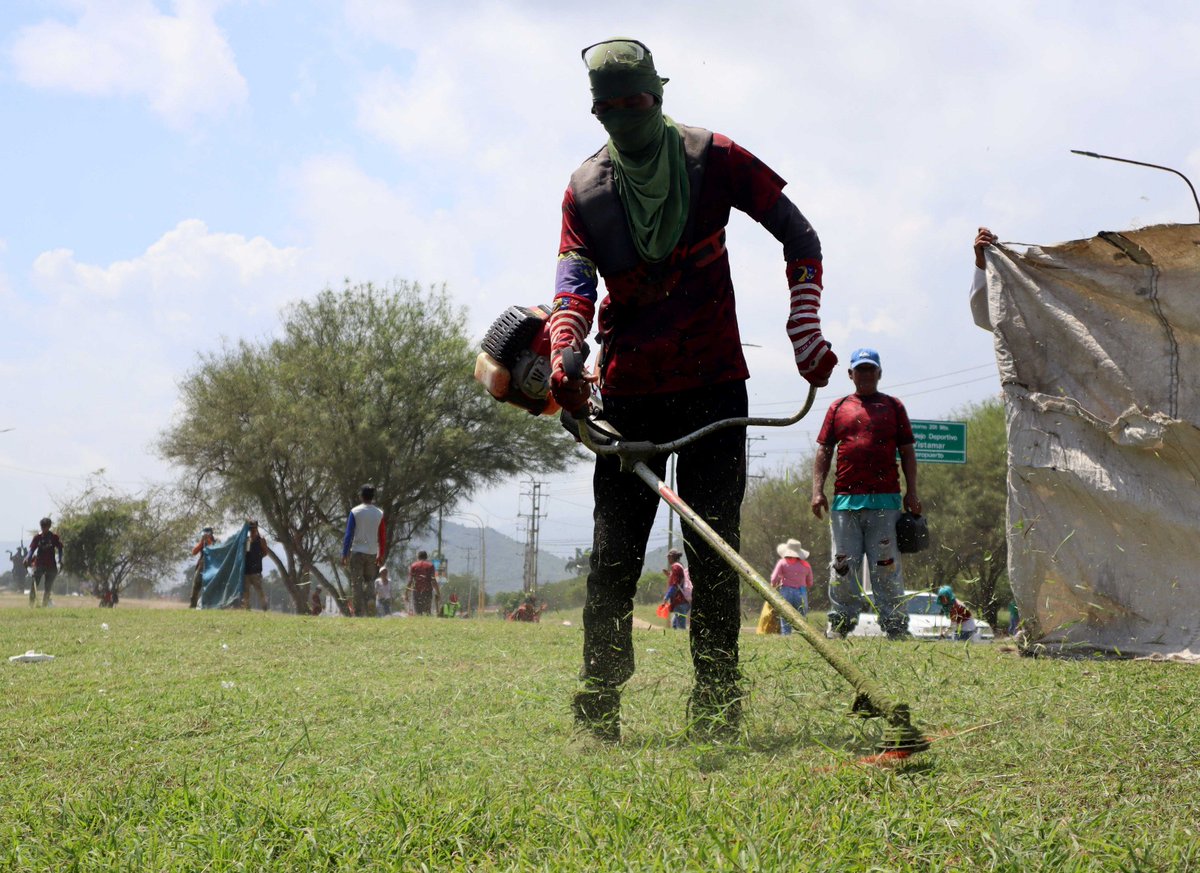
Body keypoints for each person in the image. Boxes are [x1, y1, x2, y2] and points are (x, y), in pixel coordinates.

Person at [548, 38, 835, 741]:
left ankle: (716, 707)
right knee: (613, 558)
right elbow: (573, 285)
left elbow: (799, 236)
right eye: (606, 108)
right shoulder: (586, 190)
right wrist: (564, 350)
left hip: (713, 389)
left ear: (658, 96)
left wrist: (804, 327)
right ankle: (599, 707)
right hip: (626, 397)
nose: (622, 116)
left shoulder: (716, 159)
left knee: (716, 554)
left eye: (634, 102)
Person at [812, 348, 921, 639]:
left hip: (886, 502)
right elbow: (824, 449)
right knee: (843, 565)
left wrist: (912, 493)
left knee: (886, 567)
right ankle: (839, 624)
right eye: (860, 369)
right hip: (845, 502)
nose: (866, 374)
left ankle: (895, 626)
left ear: (879, 373)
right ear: (850, 374)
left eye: (870, 369)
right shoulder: (838, 407)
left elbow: (908, 451)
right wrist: (817, 491)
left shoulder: (893, 406)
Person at [341, 484, 387, 617]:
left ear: (361, 496)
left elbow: (349, 534)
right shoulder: (379, 513)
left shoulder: (355, 512)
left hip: (357, 552)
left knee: (356, 583)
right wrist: (380, 554)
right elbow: (382, 536)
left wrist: (345, 553)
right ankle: (371, 601)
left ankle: (359, 612)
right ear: (373, 497)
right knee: (369, 581)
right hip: (372, 553)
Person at [770, 538, 813, 634]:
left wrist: (773, 586)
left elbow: (773, 579)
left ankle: (786, 635)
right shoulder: (806, 565)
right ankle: (802, 635)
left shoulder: (782, 563)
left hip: (785, 591)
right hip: (801, 592)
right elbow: (810, 582)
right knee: (801, 618)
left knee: (785, 616)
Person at [25, 517, 64, 607]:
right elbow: (32, 549)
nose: (44, 529)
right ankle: (31, 604)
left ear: (49, 526)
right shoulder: (37, 537)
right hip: (39, 564)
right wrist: (28, 558)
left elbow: (60, 548)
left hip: (51, 565)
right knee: (34, 584)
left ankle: (44, 604)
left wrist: (60, 560)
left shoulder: (54, 537)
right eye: (42, 527)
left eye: (45, 527)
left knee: (48, 586)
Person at [242, 520, 269, 611]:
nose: (252, 530)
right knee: (246, 591)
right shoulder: (247, 540)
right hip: (247, 570)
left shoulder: (261, 540)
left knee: (259, 590)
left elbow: (265, 552)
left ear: (256, 528)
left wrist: (258, 557)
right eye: (250, 528)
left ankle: (264, 607)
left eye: (253, 528)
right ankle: (246, 608)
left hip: (256, 571)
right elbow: (245, 553)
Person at [660, 548, 690, 630]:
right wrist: (669, 574)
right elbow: (678, 579)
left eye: (669, 557)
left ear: (672, 557)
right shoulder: (679, 566)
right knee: (675, 624)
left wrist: (667, 596)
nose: (668, 559)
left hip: (680, 600)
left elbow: (675, 585)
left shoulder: (675, 567)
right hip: (681, 601)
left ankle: (682, 641)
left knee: (680, 627)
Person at [189, 526, 217, 609]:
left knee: (210, 587)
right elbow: (194, 552)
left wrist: (208, 542)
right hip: (201, 566)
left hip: (212, 568)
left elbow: (215, 550)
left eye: (207, 534)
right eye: (204, 534)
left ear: (211, 534)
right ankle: (193, 605)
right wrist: (201, 542)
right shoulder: (202, 542)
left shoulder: (216, 542)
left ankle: (208, 606)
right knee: (196, 586)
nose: (205, 536)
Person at [408, 550, 437, 616]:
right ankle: (427, 625)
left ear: (418, 557)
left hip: (416, 592)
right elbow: (433, 580)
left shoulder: (413, 566)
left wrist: (406, 592)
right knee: (427, 612)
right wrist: (438, 592)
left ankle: (419, 624)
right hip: (427, 591)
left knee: (418, 613)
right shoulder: (430, 565)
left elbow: (410, 581)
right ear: (426, 557)